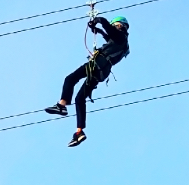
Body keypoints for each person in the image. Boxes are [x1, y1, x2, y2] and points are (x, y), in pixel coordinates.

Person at [46, 14, 129, 146]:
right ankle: (79, 132)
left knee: (70, 79)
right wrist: (98, 31)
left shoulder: (120, 37)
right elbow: (110, 37)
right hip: (101, 72)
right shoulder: (122, 42)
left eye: (117, 25)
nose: (116, 27)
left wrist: (99, 20)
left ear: (119, 25)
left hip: (96, 66)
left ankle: (62, 106)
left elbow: (109, 29)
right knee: (79, 99)